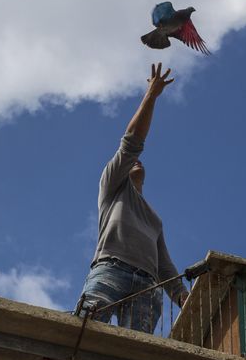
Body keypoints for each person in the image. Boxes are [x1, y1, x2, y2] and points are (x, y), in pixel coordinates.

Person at [78, 62, 189, 333]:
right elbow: (131, 143)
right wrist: (151, 95)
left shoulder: (154, 220)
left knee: (137, 349)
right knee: (84, 329)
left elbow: (166, 269)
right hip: (110, 270)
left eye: (141, 162)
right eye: (133, 162)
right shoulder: (113, 186)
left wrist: (187, 300)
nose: (138, 162)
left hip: (148, 287)